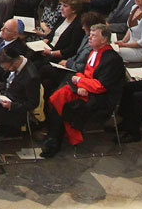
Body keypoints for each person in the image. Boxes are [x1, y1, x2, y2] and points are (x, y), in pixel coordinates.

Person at [41, 23, 125, 157]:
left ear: (104, 39)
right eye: (90, 35)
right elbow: (85, 74)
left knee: (63, 104)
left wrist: (80, 82)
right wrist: (81, 84)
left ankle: (54, 140)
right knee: (57, 96)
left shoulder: (112, 59)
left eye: (94, 36)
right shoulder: (93, 52)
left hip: (100, 99)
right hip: (86, 90)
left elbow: (101, 86)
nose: (89, 38)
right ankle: (53, 136)